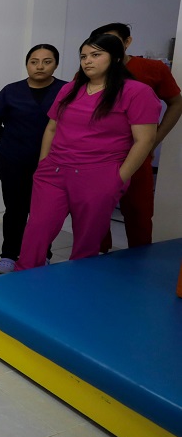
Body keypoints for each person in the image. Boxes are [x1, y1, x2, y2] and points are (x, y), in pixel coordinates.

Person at [16, 34, 160, 270]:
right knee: (37, 231)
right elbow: (52, 127)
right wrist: (43, 163)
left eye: (95, 55)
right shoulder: (72, 88)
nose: (87, 61)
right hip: (54, 171)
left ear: (115, 58)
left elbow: (144, 141)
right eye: (83, 56)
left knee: (86, 241)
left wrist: (118, 179)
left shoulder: (136, 92)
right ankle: (20, 286)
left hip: (99, 175)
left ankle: (77, 292)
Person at [90, 23, 182, 250]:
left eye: (113, 42)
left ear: (127, 42)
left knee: (139, 214)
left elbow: (176, 102)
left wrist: (155, 138)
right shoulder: (90, 71)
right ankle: (97, 261)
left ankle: (139, 266)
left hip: (137, 155)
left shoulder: (151, 69)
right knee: (94, 213)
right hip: (98, 157)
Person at [0, 44, 67, 274]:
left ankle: (43, 254)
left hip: (52, 163)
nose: (40, 66)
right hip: (13, 161)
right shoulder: (11, 91)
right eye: (34, 61)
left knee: (44, 212)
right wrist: (12, 140)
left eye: (46, 61)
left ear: (56, 64)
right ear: (27, 64)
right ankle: (9, 255)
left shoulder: (67, 90)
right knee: (15, 209)